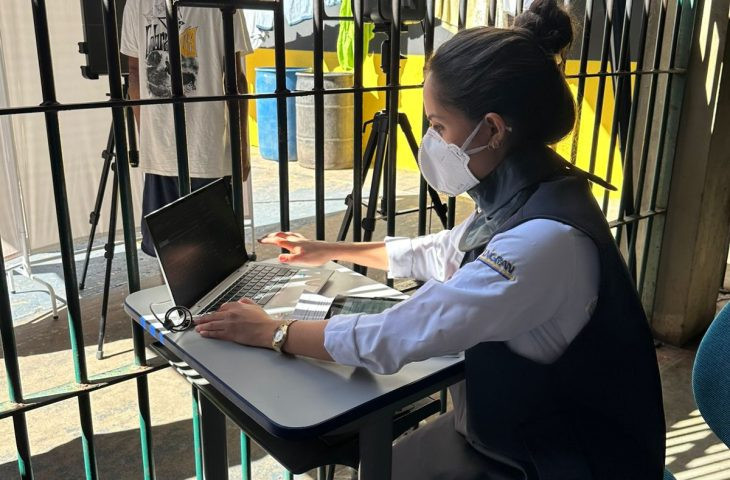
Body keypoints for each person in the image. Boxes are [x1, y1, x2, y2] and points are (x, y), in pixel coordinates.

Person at [193, 1, 667, 478]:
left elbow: (394, 336)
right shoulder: (532, 193)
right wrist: (327, 250)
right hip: (514, 430)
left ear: (493, 129)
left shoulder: (544, 243)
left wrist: (272, 331)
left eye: (439, 126)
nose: (431, 141)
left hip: (564, 462)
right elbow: (443, 250)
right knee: (377, 465)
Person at [120, 0, 253, 256]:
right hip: (204, 145)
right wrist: (242, 148)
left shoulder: (136, 2)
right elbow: (235, 79)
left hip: (182, 145)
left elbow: (134, 75)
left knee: (172, 252)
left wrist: (147, 138)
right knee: (213, 251)